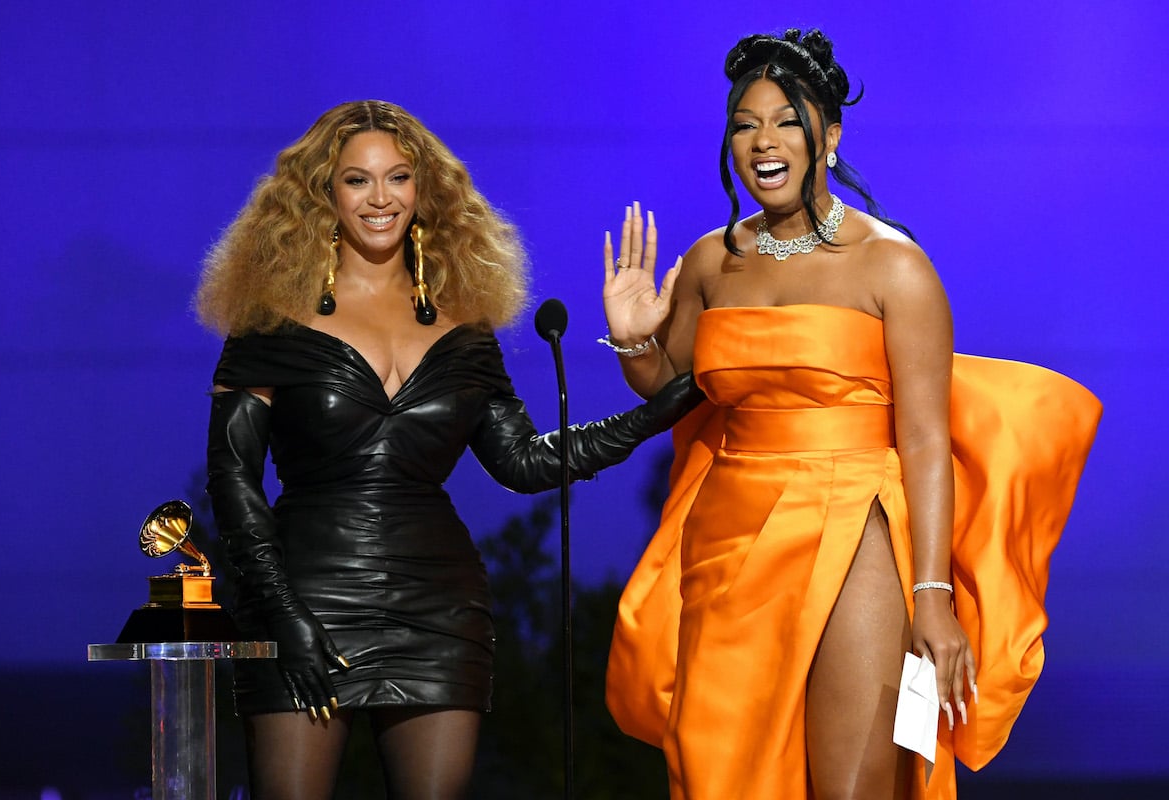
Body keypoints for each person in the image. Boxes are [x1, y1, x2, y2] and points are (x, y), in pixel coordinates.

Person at [598, 30, 1101, 800]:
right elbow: (669, 391)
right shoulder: (710, 262)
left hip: (858, 522)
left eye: (786, 121)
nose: (762, 141)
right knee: (718, 775)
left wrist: (932, 598)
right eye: (744, 124)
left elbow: (927, 439)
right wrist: (635, 341)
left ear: (828, 135)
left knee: (854, 781)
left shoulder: (892, 265)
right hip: (728, 535)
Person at [193, 100, 701, 800]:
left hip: (440, 609)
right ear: (322, 191)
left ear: (424, 190)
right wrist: (280, 613)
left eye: (398, 178)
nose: (380, 198)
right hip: (306, 596)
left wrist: (652, 415)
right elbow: (233, 479)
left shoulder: (467, 323)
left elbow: (521, 461)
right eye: (357, 180)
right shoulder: (271, 317)